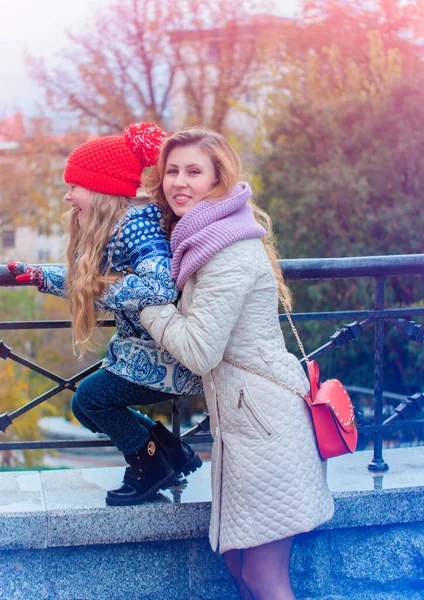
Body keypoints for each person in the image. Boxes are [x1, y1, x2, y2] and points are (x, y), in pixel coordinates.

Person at [139, 127, 334, 599]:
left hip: (267, 430)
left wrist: (147, 307)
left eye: (194, 171)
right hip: (248, 428)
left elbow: (202, 349)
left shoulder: (225, 250)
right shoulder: (207, 237)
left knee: (265, 579)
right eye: (172, 171)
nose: (179, 182)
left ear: (218, 179)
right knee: (239, 567)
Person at [7, 122, 203, 507]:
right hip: (144, 350)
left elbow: (159, 286)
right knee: (88, 403)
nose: (67, 197)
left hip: (166, 354)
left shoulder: (136, 227)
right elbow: (93, 282)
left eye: (74, 186)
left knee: (90, 401)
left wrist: (96, 291)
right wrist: (43, 276)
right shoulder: (120, 223)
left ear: (101, 188)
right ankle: (167, 450)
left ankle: (150, 465)